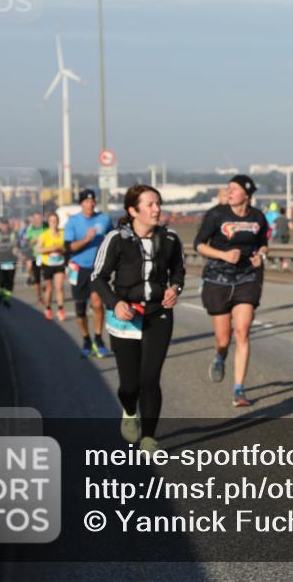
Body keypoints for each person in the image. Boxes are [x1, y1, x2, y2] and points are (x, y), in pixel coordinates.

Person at [92, 184, 185, 453]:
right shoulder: (116, 240)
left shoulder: (169, 239)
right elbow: (97, 278)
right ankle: (130, 410)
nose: (157, 209)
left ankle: (148, 438)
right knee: (129, 386)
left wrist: (174, 289)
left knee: (150, 378)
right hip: (126, 316)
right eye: (150, 204)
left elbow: (178, 271)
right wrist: (116, 303)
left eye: (158, 203)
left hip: (159, 314)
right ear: (133, 210)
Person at [195, 175, 269, 407]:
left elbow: (263, 242)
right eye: (228, 188)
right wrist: (224, 255)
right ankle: (220, 356)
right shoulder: (216, 214)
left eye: (234, 189)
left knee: (243, 332)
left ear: (246, 194)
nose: (229, 192)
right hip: (218, 278)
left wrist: (261, 255)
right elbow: (199, 244)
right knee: (223, 338)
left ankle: (239, 389)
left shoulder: (258, 217)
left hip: (247, 277)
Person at [64, 189, 115, 359]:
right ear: (81, 204)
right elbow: (68, 248)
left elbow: (113, 239)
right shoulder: (73, 222)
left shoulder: (104, 219)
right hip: (79, 269)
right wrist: (86, 239)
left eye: (93, 201)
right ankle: (86, 339)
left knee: (97, 303)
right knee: (80, 311)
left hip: (98, 269)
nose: (90, 204)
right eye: (86, 201)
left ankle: (99, 340)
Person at [37, 212, 67, 322]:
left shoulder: (63, 234)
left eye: (55, 221)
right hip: (48, 264)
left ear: (58, 222)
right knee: (49, 288)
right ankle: (48, 308)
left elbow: (67, 248)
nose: (54, 223)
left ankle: (60, 310)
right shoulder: (44, 235)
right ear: (49, 223)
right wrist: (51, 249)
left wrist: (61, 249)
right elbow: (38, 249)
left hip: (59, 263)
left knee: (59, 287)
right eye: (51, 221)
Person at [22, 212, 46, 305]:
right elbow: (27, 242)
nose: (38, 219)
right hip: (34, 254)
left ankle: (44, 283)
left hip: (45, 254)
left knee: (44, 272)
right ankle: (39, 296)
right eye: (36, 218)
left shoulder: (45, 226)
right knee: (36, 275)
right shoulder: (30, 228)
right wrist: (35, 240)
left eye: (39, 217)